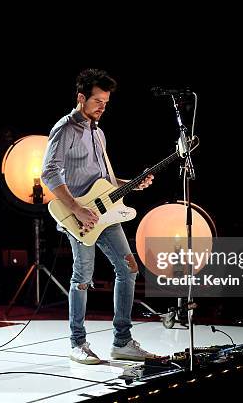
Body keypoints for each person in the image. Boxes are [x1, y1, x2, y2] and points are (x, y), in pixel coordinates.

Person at [41, 68, 155, 364]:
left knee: (129, 269)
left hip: (105, 214)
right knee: (83, 277)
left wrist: (130, 183)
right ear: (81, 98)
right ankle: (77, 343)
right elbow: (49, 173)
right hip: (78, 216)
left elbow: (103, 180)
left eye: (106, 101)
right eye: (97, 101)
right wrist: (77, 208)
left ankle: (122, 341)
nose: (103, 106)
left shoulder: (98, 133)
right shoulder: (64, 129)